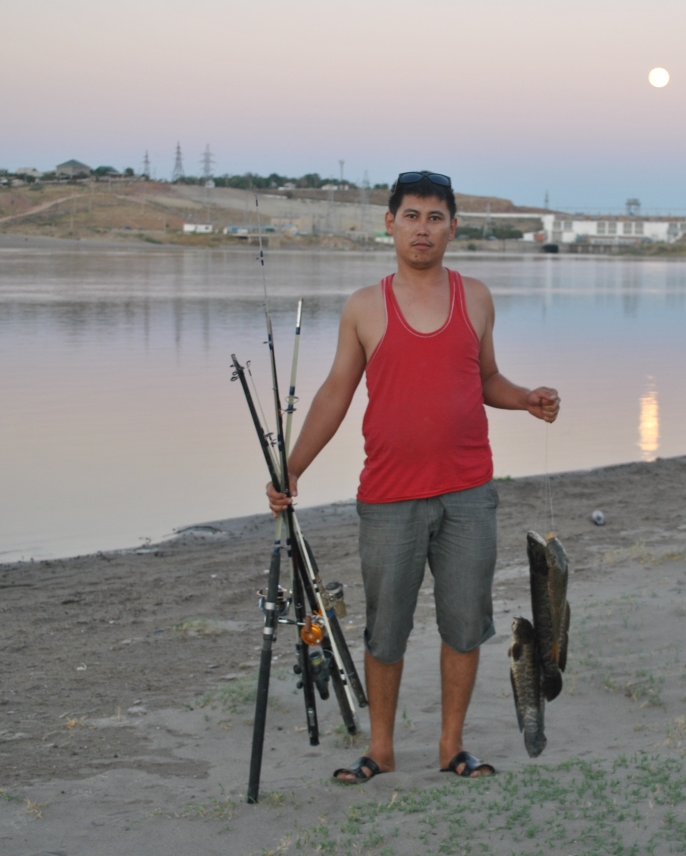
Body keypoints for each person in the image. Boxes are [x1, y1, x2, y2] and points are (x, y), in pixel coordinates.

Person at [265, 171, 559, 783]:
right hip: (389, 496)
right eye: (411, 216)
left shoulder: (475, 297)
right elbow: (332, 397)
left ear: (453, 226)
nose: (422, 228)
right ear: (389, 224)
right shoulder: (364, 307)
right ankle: (381, 748)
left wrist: (525, 396)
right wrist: (289, 469)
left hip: (469, 495)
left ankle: (452, 746)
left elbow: (485, 381)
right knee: (386, 627)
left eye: (434, 217)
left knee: (464, 624)